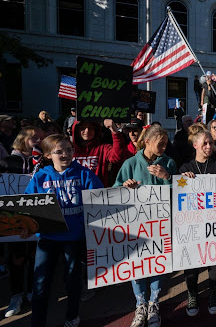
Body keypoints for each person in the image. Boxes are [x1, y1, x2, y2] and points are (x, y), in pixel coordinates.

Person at [24, 134, 103, 327]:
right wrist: (26, 225)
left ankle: (72, 315)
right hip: (47, 237)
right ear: (48, 155)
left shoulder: (84, 174)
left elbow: (100, 200)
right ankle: (37, 320)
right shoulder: (41, 176)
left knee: (72, 279)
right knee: (41, 282)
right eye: (59, 151)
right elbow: (27, 204)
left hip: (74, 237)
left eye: (69, 150)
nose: (65, 154)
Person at [114, 125, 177, 327]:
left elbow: (181, 189)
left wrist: (167, 178)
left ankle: (154, 303)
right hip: (136, 225)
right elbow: (115, 190)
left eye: (166, 144)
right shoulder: (130, 164)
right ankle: (140, 304)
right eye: (161, 144)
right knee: (137, 266)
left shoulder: (169, 163)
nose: (164, 147)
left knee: (158, 263)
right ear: (147, 142)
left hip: (160, 224)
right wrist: (125, 187)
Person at [179, 128, 216, 317]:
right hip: (193, 226)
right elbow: (178, 189)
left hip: (214, 225)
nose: (209, 146)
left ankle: (213, 292)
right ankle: (192, 293)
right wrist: (184, 181)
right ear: (195, 145)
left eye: (211, 143)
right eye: (205, 143)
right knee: (191, 261)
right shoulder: (186, 168)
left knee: (215, 260)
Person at [1, 126, 45, 318]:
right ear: (23, 139)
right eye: (34, 137)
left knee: (36, 256)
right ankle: (16, 294)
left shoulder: (44, 164)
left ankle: (31, 290)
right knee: (16, 258)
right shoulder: (6, 162)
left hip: (39, 215)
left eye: (41, 138)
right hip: (12, 216)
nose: (38, 140)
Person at [71, 119, 126, 187]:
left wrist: (115, 132)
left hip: (97, 194)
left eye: (91, 128)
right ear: (76, 130)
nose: (87, 131)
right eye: (83, 128)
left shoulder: (102, 148)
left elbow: (117, 157)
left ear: (95, 130)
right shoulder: (69, 150)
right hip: (74, 193)